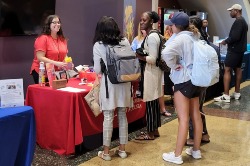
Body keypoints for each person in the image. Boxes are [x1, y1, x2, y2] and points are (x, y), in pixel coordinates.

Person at [161, 12, 203, 164]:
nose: (170, 27)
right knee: (196, 115)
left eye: (171, 24)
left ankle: (177, 155)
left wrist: (173, 65)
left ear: (176, 26)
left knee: (183, 118)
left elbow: (165, 52)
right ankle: (196, 150)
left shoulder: (181, 38)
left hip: (183, 80)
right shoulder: (194, 35)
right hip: (196, 79)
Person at [93, 16, 133, 161]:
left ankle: (106, 153)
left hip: (109, 85)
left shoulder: (99, 45)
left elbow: (97, 69)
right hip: (125, 82)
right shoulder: (125, 40)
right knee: (123, 115)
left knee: (108, 117)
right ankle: (122, 150)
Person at [135, 11, 163, 140]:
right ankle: (155, 130)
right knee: (154, 100)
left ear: (151, 21)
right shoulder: (153, 34)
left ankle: (150, 133)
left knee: (151, 101)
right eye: (141, 19)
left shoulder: (152, 37)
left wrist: (139, 56)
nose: (141, 22)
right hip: (152, 72)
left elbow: (153, 58)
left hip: (151, 72)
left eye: (144, 20)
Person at [214, 4, 248, 103]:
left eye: (231, 11)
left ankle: (226, 95)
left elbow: (235, 37)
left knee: (227, 69)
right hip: (240, 50)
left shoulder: (238, 21)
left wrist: (225, 41)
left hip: (234, 50)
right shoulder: (244, 21)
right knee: (238, 69)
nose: (230, 13)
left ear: (236, 11)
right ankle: (237, 93)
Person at [186, 16, 210, 146]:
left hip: (196, 78)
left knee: (193, 109)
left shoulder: (194, 39)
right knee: (199, 108)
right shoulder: (203, 38)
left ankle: (193, 137)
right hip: (204, 78)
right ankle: (204, 134)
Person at [30, 15, 68, 84]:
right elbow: (40, 57)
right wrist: (56, 63)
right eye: (54, 22)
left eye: (58, 22)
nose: (57, 24)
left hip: (56, 73)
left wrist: (68, 63)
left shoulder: (62, 39)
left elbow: (65, 55)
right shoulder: (43, 38)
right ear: (48, 25)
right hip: (42, 72)